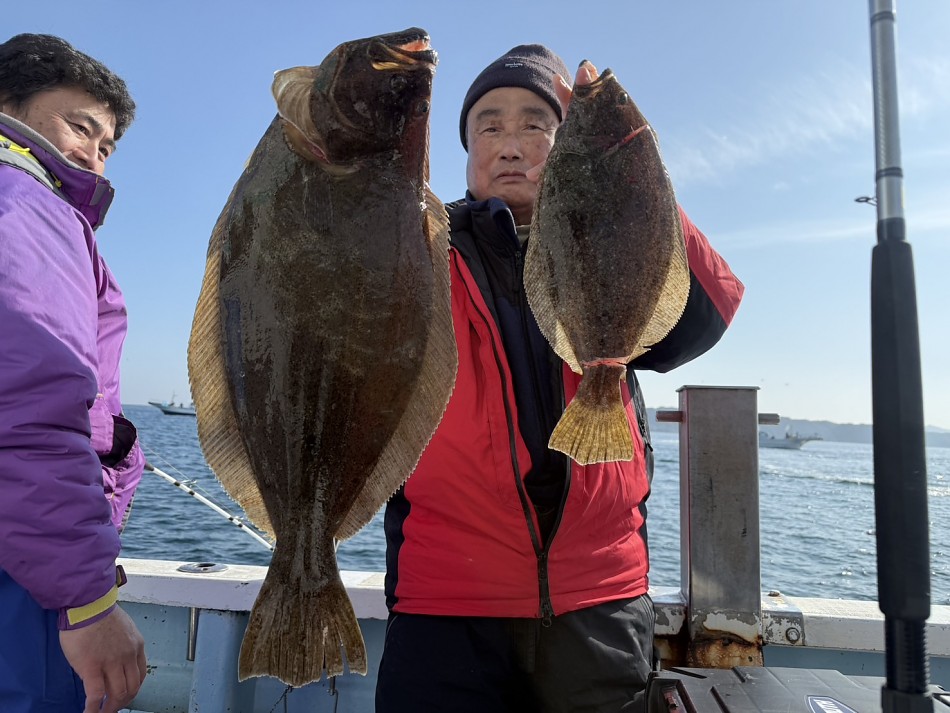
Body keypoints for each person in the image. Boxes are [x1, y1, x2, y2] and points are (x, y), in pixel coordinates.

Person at [375, 45, 745, 712]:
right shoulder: (416, 247)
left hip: (599, 597)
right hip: (445, 599)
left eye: (536, 125)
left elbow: (706, 315)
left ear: (568, 142)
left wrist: (631, 167)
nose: (511, 145)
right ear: (466, 152)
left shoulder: (621, 226)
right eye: (489, 127)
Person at [0, 33, 148, 713]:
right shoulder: (26, 202)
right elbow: (27, 411)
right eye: (78, 127)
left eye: (107, 145)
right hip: (23, 573)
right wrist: (86, 600)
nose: (92, 154)